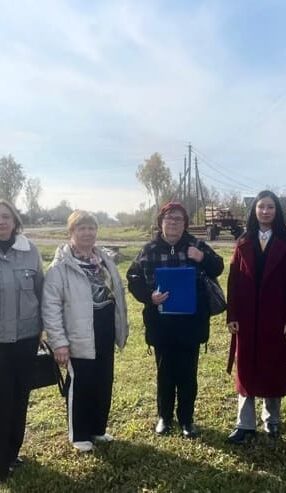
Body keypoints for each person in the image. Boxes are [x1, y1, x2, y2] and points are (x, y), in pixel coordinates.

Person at [127, 201, 223, 439]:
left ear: (185, 224)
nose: (173, 223)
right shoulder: (149, 249)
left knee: (188, 373)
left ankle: (187, 419)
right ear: (161, 222)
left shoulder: (196, 245)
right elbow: (133, 277)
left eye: (178, 219)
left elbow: (218, 267)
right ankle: (164, 416)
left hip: (191, 322)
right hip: (161, 323)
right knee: (165, 372)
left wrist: (202, 257)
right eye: (168, 218)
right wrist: (149, 296)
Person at [42, 211, 129, 453]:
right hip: (78, 334)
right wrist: (59, 342)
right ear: (71, 232)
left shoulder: (104, 260)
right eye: (81, 228)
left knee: (103, 380)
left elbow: (117, 295)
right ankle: (79, 434)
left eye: (91, 228)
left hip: (104, 331)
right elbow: (50, 307)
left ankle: (97, 428)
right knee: (81, 383)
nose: (88, 233)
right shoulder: (60, 267)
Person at [226, 190, 286, 444]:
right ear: (254, 210)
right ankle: (244, 424)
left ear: (277, 211)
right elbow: (234, 280)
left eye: (270, 207)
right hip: (246, 317)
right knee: (246, 369)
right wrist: (232, 314)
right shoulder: (243, 241)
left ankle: (272, 420)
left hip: (276, 317)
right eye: (261, 207)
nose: (265, 211)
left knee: (273, 367)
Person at [0, 200, 44, 482]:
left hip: (26, 340)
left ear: (15, 221)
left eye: (5, 216)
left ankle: (12, 452)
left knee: (19, 398)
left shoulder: (31, 252)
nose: (1, 221)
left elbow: (41, 292)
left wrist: (44, 331)